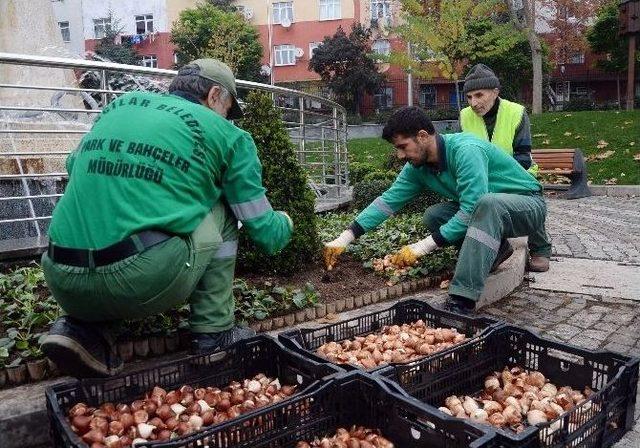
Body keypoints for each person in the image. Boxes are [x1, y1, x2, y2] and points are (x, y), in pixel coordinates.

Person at [41, 59, 293, 377]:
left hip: (61, 277)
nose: (228, 117)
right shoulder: (229, 136)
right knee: (224, 209)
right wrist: (285, 223)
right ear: (215, 95)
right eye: (229, 108)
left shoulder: (120, 107)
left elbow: (72, 166)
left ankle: (80, 329)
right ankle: (214, 336)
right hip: (140, 279)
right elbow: (264, 231)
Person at [324, 107, 551, 315]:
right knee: (435, 215)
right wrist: (345, 237)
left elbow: (472, 207)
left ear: (422, 136)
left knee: (487, 204)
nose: (400, 155)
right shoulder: (417, 167)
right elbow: (387, 202)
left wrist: (423, 246)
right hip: (489, 210)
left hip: (527, 205)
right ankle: (498, 250)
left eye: (403, 147)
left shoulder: (465, 150)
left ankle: (462, 299)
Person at [460, 63, 538, 176]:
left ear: (495, 93)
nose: (473, 103)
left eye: (479, 95)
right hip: (480, 178)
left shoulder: (516, 112)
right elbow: (461, 156)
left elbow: (523, 159)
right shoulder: (464, 116)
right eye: (469, 97)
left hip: (519, 177)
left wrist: (493, 177)